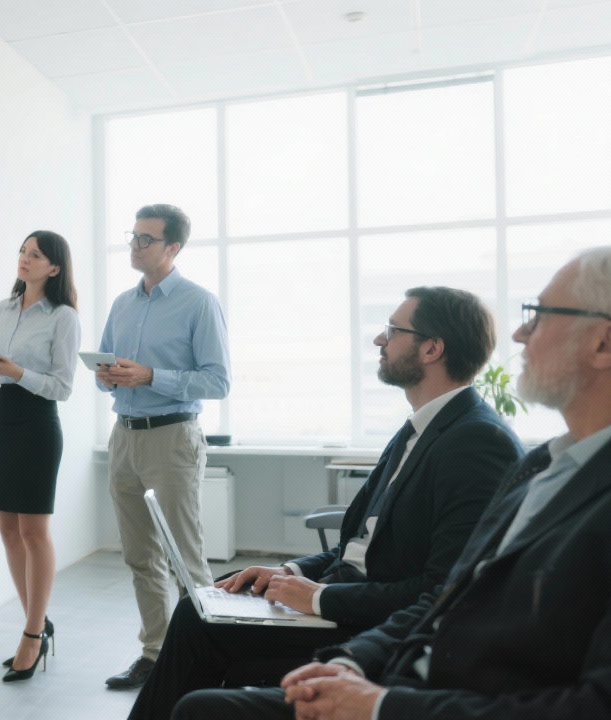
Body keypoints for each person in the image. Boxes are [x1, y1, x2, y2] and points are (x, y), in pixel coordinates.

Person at [172, 245, 611, 720]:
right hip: (407, 671)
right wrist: (352, 662)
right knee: (203, 676)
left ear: (606, 343)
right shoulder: (543, 464)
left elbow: (600, 703)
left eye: (540, 315)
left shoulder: (486, 445)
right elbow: (449, 597)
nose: (520, 333)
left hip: (438, 697)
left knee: (204, 706)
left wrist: (380, 704)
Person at [126, 286, 524, 719]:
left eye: (393, 330)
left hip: (370, 627)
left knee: (200, 636)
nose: (380, 340)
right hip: (343, 597)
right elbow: (359, 547)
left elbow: (443, 591)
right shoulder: (421, 428)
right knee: (201, 608)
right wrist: (290, 572)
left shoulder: (477, 443)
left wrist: (320, 598)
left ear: (432, 349)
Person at [96, 204, 232, 690]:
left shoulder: (199, 303)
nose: (135, 245)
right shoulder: (122, 304)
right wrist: (107, 375)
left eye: (146, 239)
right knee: (139, 555)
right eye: (133, 236)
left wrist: (152, 376)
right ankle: (154, 654)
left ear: (173, 248)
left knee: (185, 559)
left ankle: (207, 660)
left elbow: (218, 382)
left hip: (173, 437)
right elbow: (105, 376)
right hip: (124, 436)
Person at [0, 231, 81, 683]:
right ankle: (38, 623)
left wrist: (16, 371)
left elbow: (62, 387)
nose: (25, 259)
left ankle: (31, 634)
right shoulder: (2, 310)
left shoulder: (63, 317)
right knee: (8, 530)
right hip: (1, 418)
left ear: (54, 267)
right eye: (23, 252)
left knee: (33, 531)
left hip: (37, 423)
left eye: (36, 255)